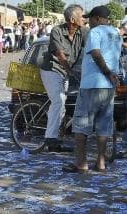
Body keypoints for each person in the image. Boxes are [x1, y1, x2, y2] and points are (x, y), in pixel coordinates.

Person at [63, 6, 122, 173]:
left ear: (96, 18)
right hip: (108, 87)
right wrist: (112, 75)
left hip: (92, 84)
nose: (88, 21)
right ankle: (101, 163)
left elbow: (95, 53)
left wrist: (107, 72)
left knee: (81, 125)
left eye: (90, 19)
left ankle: (81, 164)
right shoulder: (116, 33)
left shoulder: (94, 32)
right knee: (103, 127)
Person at [40, 4, 87, 152]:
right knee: (58, 101)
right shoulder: (57, 31)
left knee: (62, 106)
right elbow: (59, 54)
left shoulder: (84, 32)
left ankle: (56, 140)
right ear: (72, 19)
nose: (84, 19)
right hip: (52, 69)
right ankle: (50, 138)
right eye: (81, 16)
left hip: (66, 72)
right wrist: (71, 71)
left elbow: (94, 48)